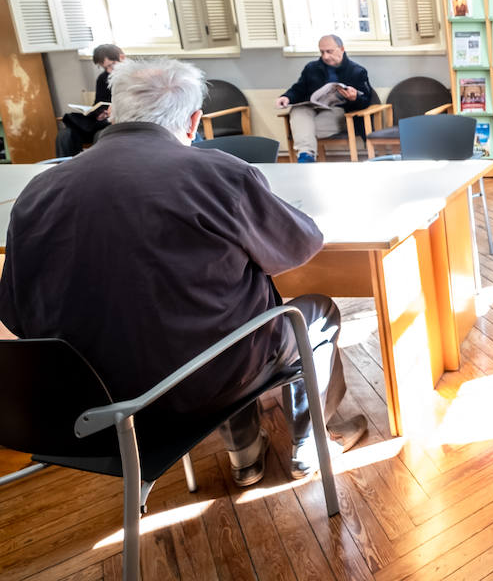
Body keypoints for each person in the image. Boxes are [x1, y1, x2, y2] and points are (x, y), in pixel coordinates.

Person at [0, 58, 366, 486]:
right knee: (312, 311)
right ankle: (309, 445)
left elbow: (16, 315)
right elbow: (299, 246)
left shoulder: (39, 190)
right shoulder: (218, 173)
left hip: (86, 404)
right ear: (194, 122)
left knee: (207, 313)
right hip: (199, 387)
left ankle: (246, 456)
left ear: (112, 114)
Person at [275, 35, 377, 163]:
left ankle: (305, 156)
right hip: (312, 109)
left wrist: (355, 97)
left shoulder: (357, 71)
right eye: (322, 52)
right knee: (297, 110)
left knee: (303, 130)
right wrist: (286, 97)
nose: (325, 56)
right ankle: (306, 155)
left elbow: (366, 101)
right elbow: (299, 89)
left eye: (329, 51)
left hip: (337, 113)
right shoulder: (311, 68)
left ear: (342, 49)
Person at [55, 43, 124, 157]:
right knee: (65, 135)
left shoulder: (136, 76)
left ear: (122, 57)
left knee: (101, 135)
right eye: (105, 68)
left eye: (111, 65)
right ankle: (68, 170)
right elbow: (99, 102)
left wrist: (115, 112)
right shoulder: (103, 78)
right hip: (102, 121)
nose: (109, 71)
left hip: (118, 122)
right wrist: (100, 113)